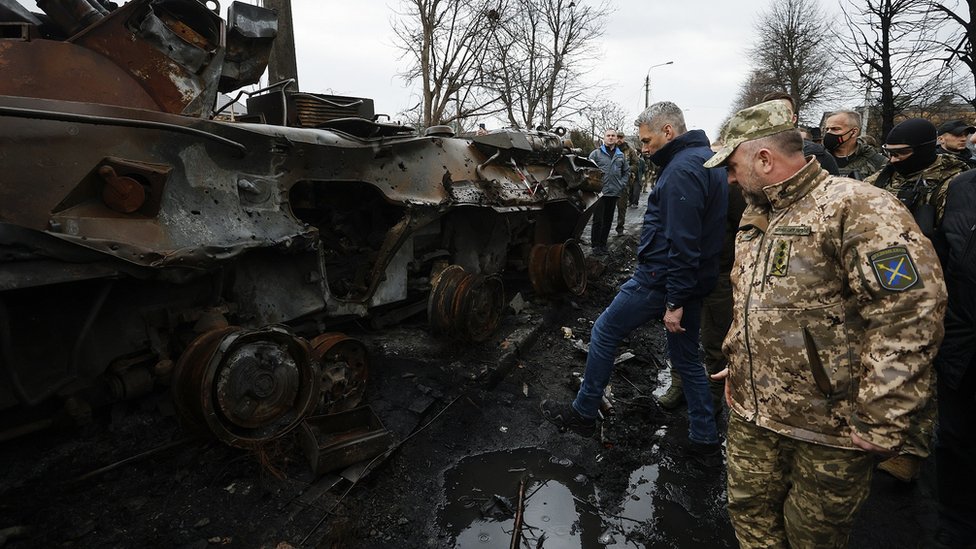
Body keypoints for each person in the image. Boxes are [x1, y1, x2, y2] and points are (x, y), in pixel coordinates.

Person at [705, 100, 947, 548]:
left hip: (829, 429)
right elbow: (758, 300)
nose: (731, 179)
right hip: (754, 416)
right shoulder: (756, 215)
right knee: (749, 516)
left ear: (763, 158)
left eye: (734, 167)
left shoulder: (859, 208)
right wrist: (739, 354)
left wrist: (883, 417)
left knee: (811, 537)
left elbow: (910, 311)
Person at [541, 102, 728, 466]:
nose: (642, 147)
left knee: (605, 331)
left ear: (668, 131)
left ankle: (583, 412)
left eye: (647, 139)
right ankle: (705, 442)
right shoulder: (706, 160)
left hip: (661, 280)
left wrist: (673, 301)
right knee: (688, 357)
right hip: (690, 280)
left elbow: (683, 242)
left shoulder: (680, 171)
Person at [863, 119, 969, 483]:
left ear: (924, 149)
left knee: (920, 368)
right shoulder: (881, 179)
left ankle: (910, 453)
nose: (893, 161)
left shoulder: (953, 181)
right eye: (889, 154)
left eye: (901, 154)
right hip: (884, 283)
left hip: (931, 284)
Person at [932, 169, 976, 548]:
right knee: (955, 440)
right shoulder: (962, 187)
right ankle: (956, 525)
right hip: (961, 341)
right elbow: (942, 262)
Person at [760, 92, 839, 176]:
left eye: (784, 112)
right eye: (772, 111)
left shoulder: (818, 155)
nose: (778, 117)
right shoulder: (748, 154)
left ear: (794, 119)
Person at [587, 129, 629, 255]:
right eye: (608, 136)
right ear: (604, 138)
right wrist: (593, 186)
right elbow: (587, 170)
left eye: (613, 136)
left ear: (616, 139)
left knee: (608, 220)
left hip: (614, 192)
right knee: (598, 220)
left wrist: (621, 184)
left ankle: (603, 244)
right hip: (600, 193)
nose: (610, 138)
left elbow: (626, 172)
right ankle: (595, 245)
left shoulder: (621, 155)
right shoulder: (596, 154)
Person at [822, 110, 886, 180]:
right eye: (827, 129)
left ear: (854, 132)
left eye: (835, 129)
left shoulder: (878, 162)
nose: (828, 133)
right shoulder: (817, 159)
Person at [614, 130, 641, 233]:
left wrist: (627, 169)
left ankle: (620, 227)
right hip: (610, 181)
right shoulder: (611, 148)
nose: (619, 139)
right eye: (618, 137)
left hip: (623, 182)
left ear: (623, 138)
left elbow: (636, 163)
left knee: (622, 206)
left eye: (621, 137)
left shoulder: (629, 150)